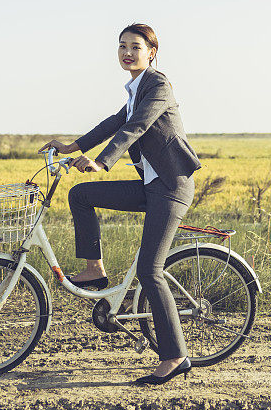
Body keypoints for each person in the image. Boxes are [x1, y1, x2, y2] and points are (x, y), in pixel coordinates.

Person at [39, 23, 202, 386]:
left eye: (136, 47)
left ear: (151, 53)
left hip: (172, 186)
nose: (127, 52)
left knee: (150, 270)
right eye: (122, 46)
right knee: (80, 195)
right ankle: (95, 269)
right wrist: (72, 148)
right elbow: (114, 123)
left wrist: (104, 161)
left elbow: (137, 127)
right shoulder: (135, 90)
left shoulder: (158, 86)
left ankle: (175, 355)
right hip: (150, 185)